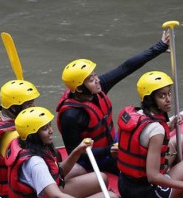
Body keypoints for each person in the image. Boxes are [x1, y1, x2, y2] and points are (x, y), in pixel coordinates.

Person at [56, 30, 171, 178]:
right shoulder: (70, 116)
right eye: (91, 80)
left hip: (112, 143)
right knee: (139, 166)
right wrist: (107, 151)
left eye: (95, 75)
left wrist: (159, 47)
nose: (97, 80)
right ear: (79, 88)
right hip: (94, 158)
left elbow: (126, 68)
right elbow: (75, 153)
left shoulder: (99, 87)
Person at [6, 107, 121, 198]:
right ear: (33, 135)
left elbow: (58, 174)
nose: (51, 131)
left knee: (101, 178)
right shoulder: (35, 163)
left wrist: (77, 151)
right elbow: (57, 197)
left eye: (49, 126)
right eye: (45, 129)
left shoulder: (26, 144)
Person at [117, 71, 183, 198]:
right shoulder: (157, 130)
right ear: (150, 99)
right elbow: (153, 176)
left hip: (125, 185)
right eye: (162, 96)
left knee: (182, 139)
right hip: (148, 192)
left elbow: (143, 139)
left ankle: (180, 184)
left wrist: (169, 127)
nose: (168, 99)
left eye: (169, 93)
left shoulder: (136, 114)